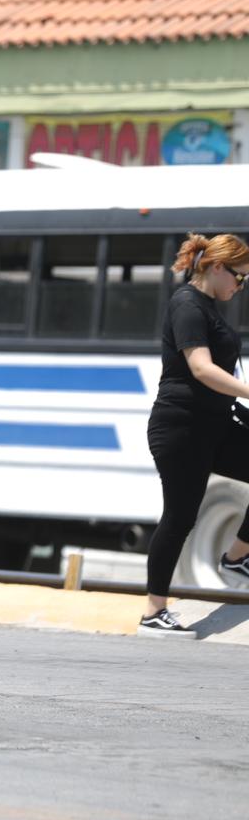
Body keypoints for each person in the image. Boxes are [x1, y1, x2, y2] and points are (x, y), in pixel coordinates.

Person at [142, 232, 249, 637]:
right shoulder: (187, 305)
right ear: (218, 267)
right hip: (182, 427)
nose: (240, 287)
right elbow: (201, 369)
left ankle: (237, 557)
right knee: (180, 516)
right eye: (240, 278)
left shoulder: (211, 307)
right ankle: (154, 612)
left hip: (215, 425)